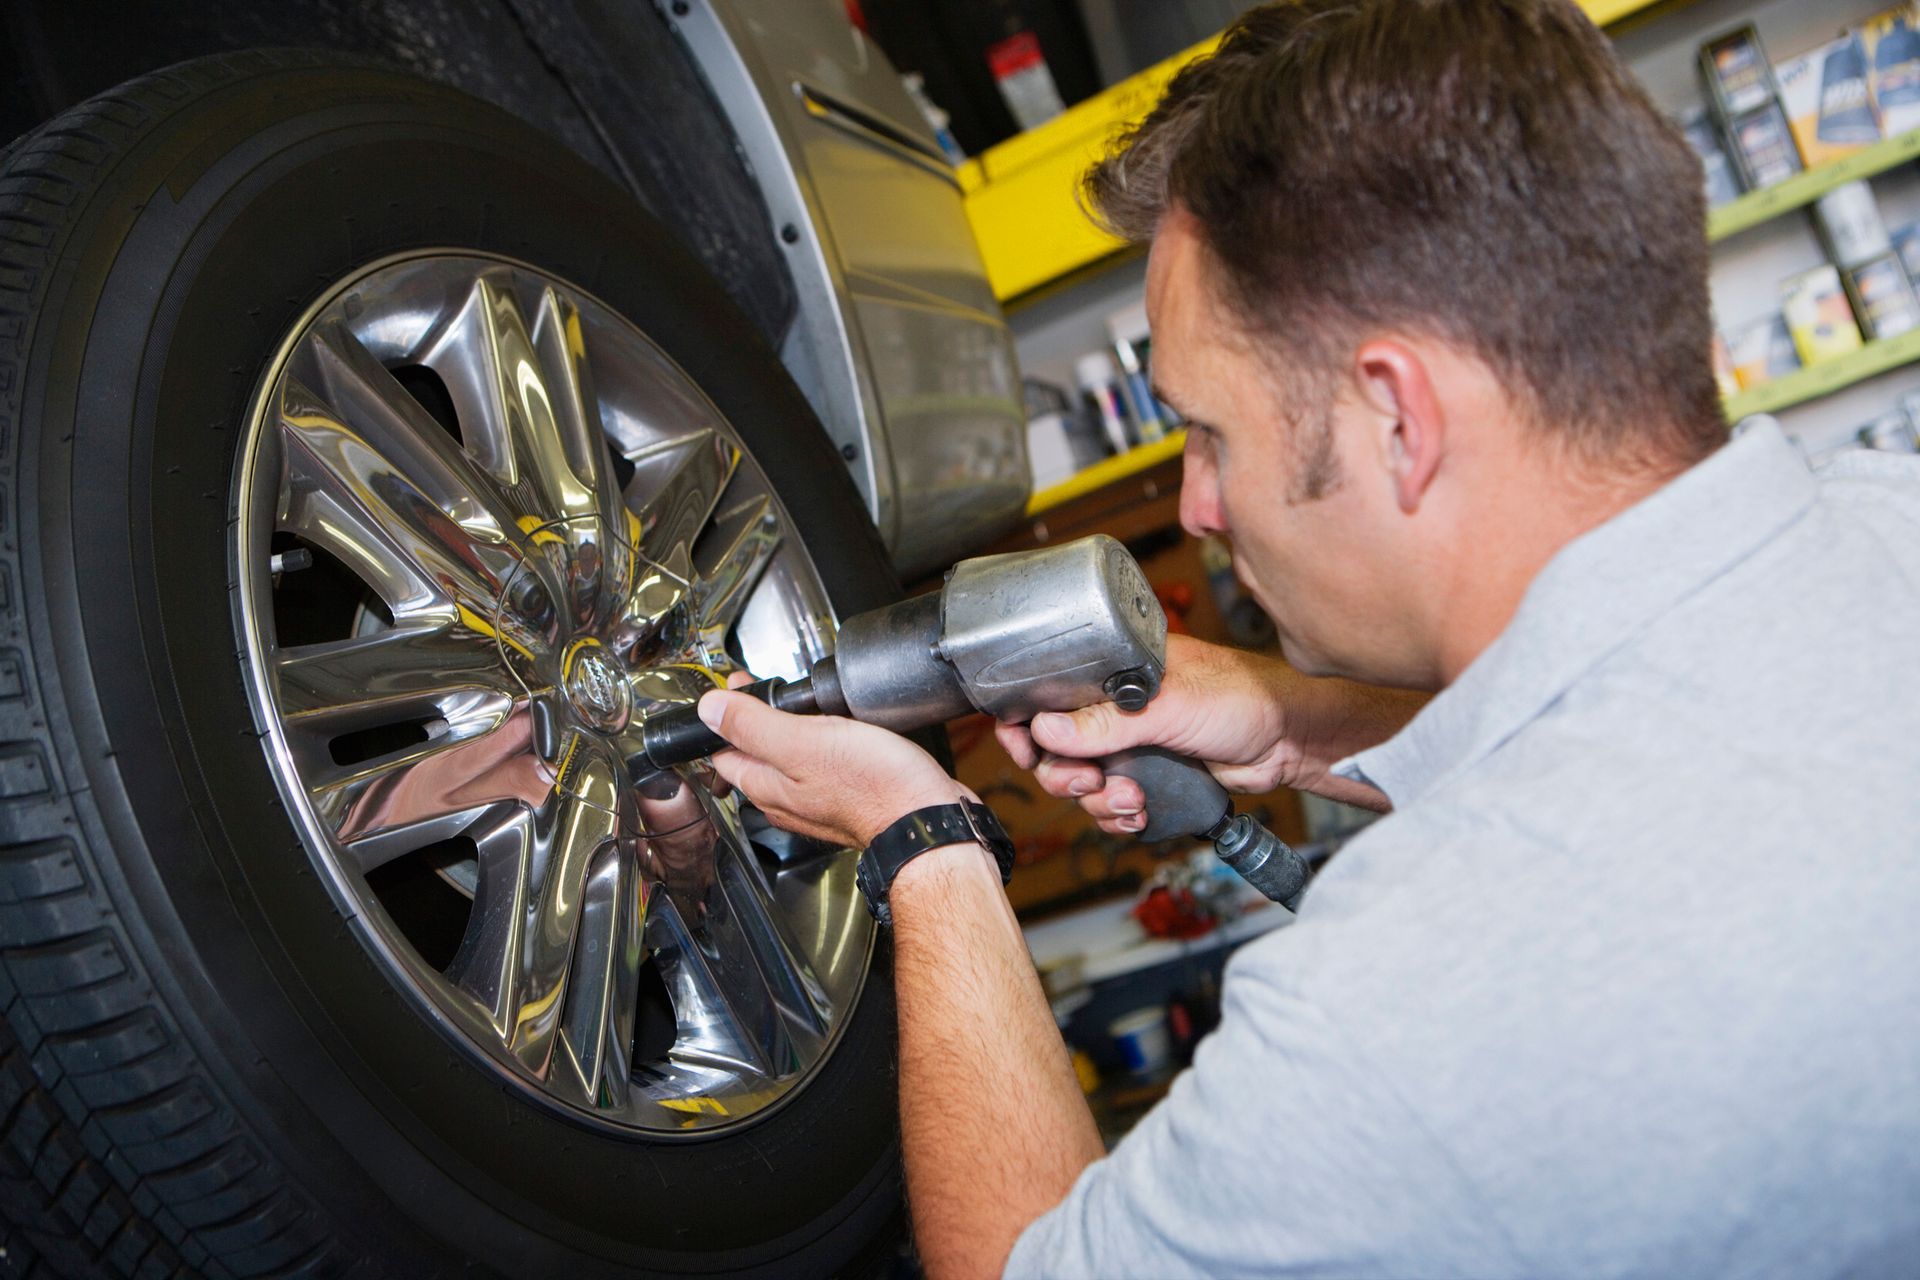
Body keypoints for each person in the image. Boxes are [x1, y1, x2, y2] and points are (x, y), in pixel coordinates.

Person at [696, 0, 1920, 1275]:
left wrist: (926, 847)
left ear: (1398, 413)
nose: (1193, 507)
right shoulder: (1894, 518)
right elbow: (1656, 755)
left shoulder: (1397, 1010)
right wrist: (1300, 724)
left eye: (1213, 432)